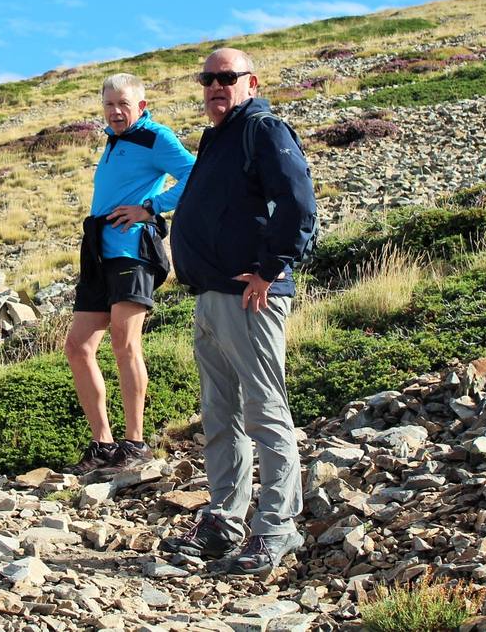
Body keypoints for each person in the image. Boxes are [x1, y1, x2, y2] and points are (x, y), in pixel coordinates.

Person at [161, 48, 318, 576]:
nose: (214, 87)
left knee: (264, 412)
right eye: (207, 79)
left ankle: (276, 528)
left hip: (250, 295)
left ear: (251, 81)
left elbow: (298, 203)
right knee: (220, 414)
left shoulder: (265, 128)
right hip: (212, 296)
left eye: (225, 78)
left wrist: (269, 268)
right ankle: (224, 521)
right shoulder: (218, 136)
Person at [66, 73, 196, 475]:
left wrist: (151, 207)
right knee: (78, 348)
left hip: (133, 251)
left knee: (125, 341)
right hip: (98, 252)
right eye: (109, 105)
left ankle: (135, 443)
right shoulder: (114, 139)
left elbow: (195, 173)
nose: (116, 111)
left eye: (123, 104)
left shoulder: (154, 136)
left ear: (141, 105)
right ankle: (103, 444)